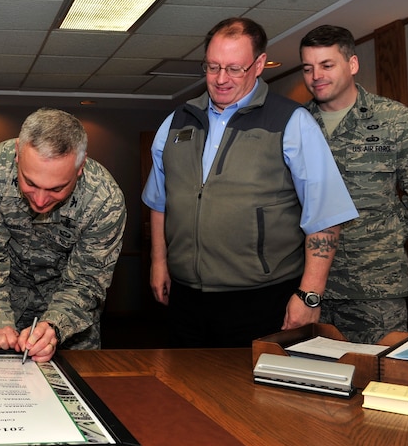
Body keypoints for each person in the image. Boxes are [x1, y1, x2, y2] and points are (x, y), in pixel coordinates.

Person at [142, 17, 359, 348]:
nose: (220, 79)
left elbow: (325, 217)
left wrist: (309, 295)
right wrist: (159, 263)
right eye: (212, 67)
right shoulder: (177, 121)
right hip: (186, 298)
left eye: (234, 68)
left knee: (252, 397)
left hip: (261, 299)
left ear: (259, 64)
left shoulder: (291, 122)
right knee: (185, 391)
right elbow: (160, 201)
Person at [0, 108, 127, 363]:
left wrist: (53, 327)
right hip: (2, 305)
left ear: (80, 167)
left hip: (71, 321)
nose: (40, 200)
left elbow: (86, 281)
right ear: (18, 153)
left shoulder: (104, 200)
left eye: (57, 188)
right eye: (30, 183)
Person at [299, 25, 408, 343]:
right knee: (313, 384)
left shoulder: (395, 120)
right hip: (308, 288)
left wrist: (380, 235)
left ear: (352, 64)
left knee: (382, 382)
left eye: (327, 65)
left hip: (374, 287)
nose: (316, 75)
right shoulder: (295, 125)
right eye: (308, 68)